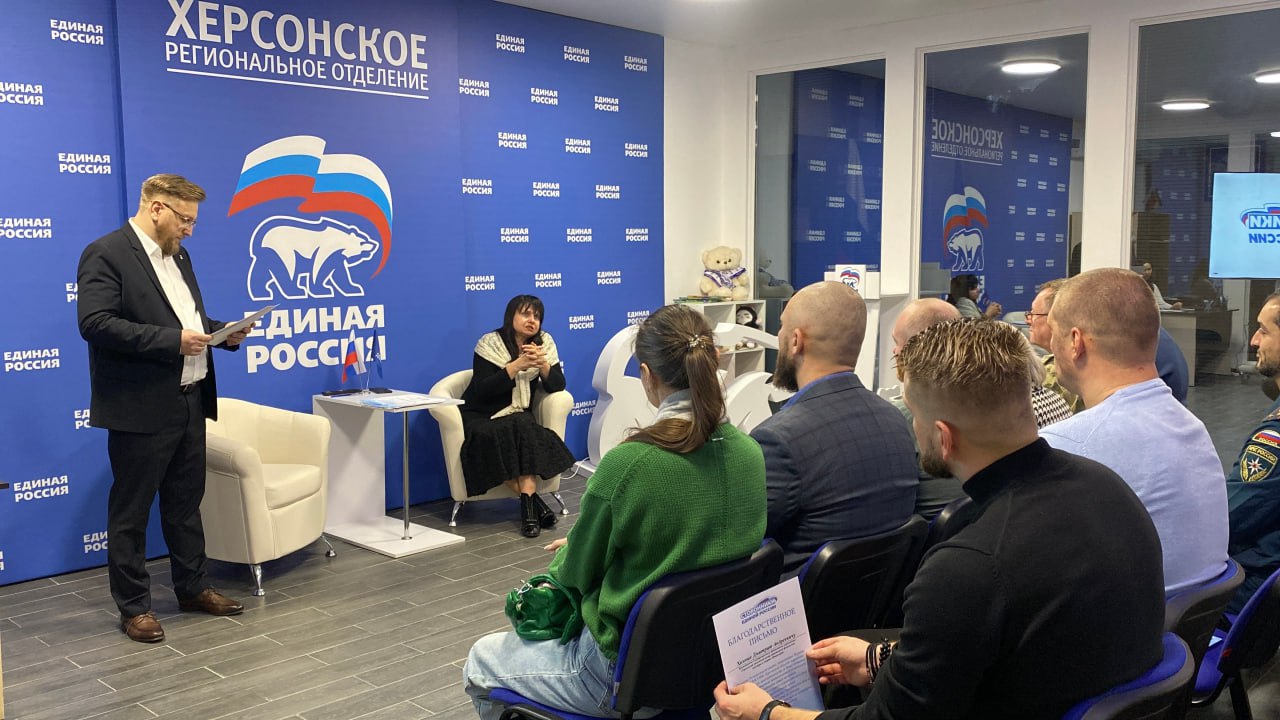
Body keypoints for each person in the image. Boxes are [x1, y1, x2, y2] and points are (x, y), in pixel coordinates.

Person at [713, 319, 1165, 720]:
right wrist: (881, 658)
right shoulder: (1106, 487)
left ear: (943, 437)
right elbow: (1011, 639)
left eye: (914, 415)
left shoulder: (969, 567)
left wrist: (767, 712)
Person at [464, 304, 766, 720]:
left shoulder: (629, 465)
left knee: (481, 659)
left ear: (646, 374)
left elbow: (575, 574)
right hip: (712, 664)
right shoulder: (750, 453)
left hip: (621, 674)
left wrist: (577, 548)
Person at [77, 174, 252, 643]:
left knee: (185, 505)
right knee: (131, 514)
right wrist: (172, 341)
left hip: (190, 400)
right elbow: (95, 323)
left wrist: (223, 332)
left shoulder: (179, 255)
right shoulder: (106, 253)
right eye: (185, 220)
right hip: (138, 407)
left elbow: (186, 319)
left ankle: (192, 589)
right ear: (156, 208)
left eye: (193, 222)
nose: (190, 230)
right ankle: (134, 607)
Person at [1040, 267, 1229, 593]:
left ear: (1075, 342)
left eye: (1053, 332)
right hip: (1184, 619)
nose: (1047, 345)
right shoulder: (1192, 427)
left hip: (1122, 622)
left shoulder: (1064, 446)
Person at [752, 282, 917, 572]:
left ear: (796, 341)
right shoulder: (896, 420)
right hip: (876, 594)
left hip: (794, 596)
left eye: (781, 327)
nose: (778, 336)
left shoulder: (778, 439)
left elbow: (742, 539)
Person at [460, 295, 575, 538]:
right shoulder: (489, 343)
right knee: (521, 427)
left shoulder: (545, 343)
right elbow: (482, 390)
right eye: (526, 314)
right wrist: (517, 365)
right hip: (482, 415)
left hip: (517, 417)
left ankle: (530, 512)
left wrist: (543, 365)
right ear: (511, 316)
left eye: (537, 316)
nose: (532, 320)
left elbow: (557, 385)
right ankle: (535, 509)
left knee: (523, 425)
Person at [1225, 293, 1280, 612]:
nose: (1254, 341)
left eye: (1264, 330)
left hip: (1254, 588)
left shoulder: (1273, 437)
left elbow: (1228, 518)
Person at [889, 298, 964, 519]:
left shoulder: (896, 417)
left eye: (898, 342)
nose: (895, 350)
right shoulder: (980, 405)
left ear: (915, 350)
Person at [1026, 278, 1082, 412]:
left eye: (1033, 313)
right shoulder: (1044, 364)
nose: (1028, 320)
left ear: (1056, 318)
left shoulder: (1077, 372)